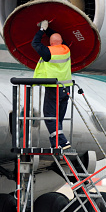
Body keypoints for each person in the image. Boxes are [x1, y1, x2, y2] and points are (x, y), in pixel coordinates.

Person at [31, 20, 72, 149]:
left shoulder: (49, 52)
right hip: (66, 88)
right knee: (58, 118)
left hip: (54, 88)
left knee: (50, 116)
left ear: (50, 43)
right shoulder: (66, 49)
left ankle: (63, 142)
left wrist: (42, 30)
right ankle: (56, 144)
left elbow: (35, 43)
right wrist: (48, 30)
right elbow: (56, 38)